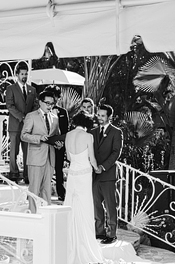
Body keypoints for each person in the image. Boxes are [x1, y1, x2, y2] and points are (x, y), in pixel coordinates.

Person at [62, 112, 104, 263]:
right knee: (85, 206)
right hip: (84, 174)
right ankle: (85, 242)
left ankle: (70, 240)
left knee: (72, 204)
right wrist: (97, 168)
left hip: (73, 174)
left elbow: (68, 156)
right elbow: (91, 158)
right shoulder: (88, 136)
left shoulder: (68, 135)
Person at [21, 91, 60, 213]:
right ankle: (32, 213)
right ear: (40, 102)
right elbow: (23, 135)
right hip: (36, 157)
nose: (50, 106)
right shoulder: (31, 116)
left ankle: (45, 214)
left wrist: (58, 144)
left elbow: (56, 135)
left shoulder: (55, 118)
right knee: (34, 188)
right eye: (47, 103)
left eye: (52, 104)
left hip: (50, 156)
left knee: (47, 189)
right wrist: (39, 138)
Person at [92, 104, 123, 244]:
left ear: (109, 117)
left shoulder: (116, 132)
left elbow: (116, 152)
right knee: (96, 205)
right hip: (94, 175)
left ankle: (111, 234)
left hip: (108, 174)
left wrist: (103, 167)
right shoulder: (92, 132)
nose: (99, 118)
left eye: (102, 115)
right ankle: (99, 232)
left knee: (110, 206)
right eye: (98, 115)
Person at [5, 66, 36, 183]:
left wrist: (29, 119)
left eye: (26, 74)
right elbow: (10, 106)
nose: (24, 76)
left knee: (28, 151)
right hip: (15, 125)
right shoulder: (10, 88)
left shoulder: (32, 90)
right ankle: (13, 174)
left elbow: (35, 105)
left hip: (28, 127)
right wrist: (22, 117)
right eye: (22, 74)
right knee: (14, 152)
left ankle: (27, 176)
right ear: (17, 75)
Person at [44, 85, 70, 201]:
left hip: (59, 145)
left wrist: (61, 143)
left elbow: (66, 130)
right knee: (45, 169)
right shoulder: (42, 111)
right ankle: (44, 192)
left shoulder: (63, 112)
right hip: (45, 144)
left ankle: (60, 191)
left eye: (55, 96)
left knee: (59, 169)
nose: (54, 99)